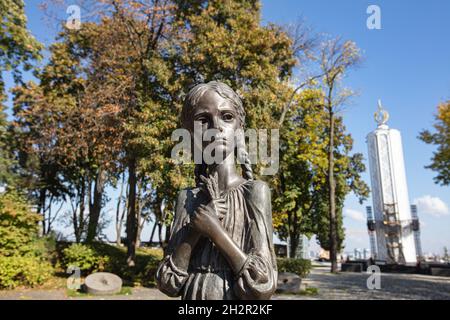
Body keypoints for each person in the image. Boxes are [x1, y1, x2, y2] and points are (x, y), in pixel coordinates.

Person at [156, 81, 277, 300]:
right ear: (190, 132)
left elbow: (263, 285)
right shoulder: (187, 198)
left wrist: (215, 231)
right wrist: (194, 232)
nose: (216, 126)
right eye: (203, 119)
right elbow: (168, 284)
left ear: (239, 128)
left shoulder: (255, 192)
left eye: (227, 117)